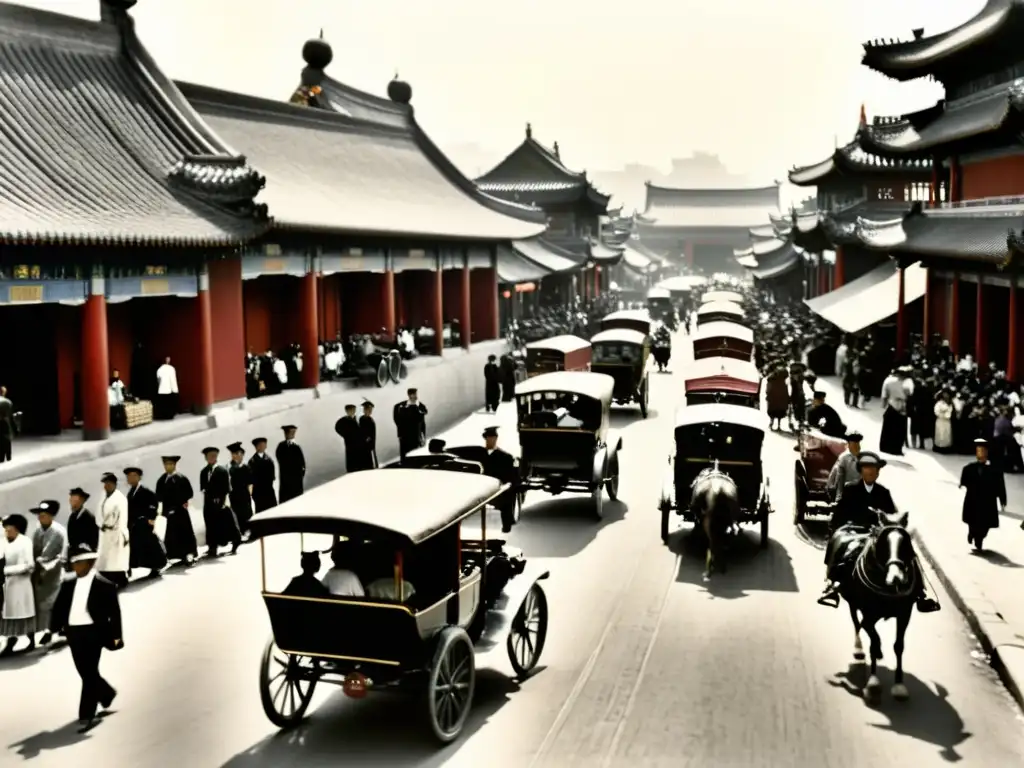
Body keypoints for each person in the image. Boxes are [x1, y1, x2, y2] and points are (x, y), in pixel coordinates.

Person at [819, 452, 938, 612]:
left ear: (878, 472)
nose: (870, 473)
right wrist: (838, 529)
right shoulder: (851, 489)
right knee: (843, 548)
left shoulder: (884, 492)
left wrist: (892, 523)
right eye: (867, 469)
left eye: (874, 470)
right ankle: (833, 585)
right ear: (861, 471)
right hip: (855, 531)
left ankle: (920, 593)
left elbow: (891, 515)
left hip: (878, 534)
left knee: (906, 553)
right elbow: (839, 514)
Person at [49, 542, 123, 732]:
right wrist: (53, 627)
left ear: (90, 563)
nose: (76, 566)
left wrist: (117, 636)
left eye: (80, 563)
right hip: (74, 633)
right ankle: (106, 694)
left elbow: (115, 613)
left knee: (89, 674)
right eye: (74, 563)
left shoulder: (104, 585)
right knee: (85, 671)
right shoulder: (68, 584)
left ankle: (87, 715)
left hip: (94, 633)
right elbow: (59, 607)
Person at [29, 500, 67, 646]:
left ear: (51, 516)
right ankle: (48, 629)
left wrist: (40, 561)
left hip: (54, 568)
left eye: (44, 515)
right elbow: (35, 548)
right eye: (39, 515)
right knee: (43, 602)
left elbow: (50, 552)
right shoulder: (38, 530)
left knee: (53, 601)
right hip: (41, 570)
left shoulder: (58, 531)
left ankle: (54, 629)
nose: (40, 518)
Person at [959, 438, 1007, 551]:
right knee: (973, 521)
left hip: (987, 501)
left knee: (985, 523)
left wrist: (1003, 500)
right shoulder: (970, 468)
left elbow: (1000, 485)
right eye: (979, 451)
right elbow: (964, 477)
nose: (981, 453)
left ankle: (979, 538)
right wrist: (962, 484)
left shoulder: (994, 470)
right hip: (973, 499)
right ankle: (973, 535)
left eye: (983, 451)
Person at [1, 514, 37, 655]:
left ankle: (31, 639)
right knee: (8, 615)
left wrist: (6, 571)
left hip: (22, 584)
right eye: (5, 527)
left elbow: (29, 565)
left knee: (24, 612)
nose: (7, 529)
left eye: (10, 526)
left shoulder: (25, 542)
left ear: (17, 528)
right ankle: (11, 641)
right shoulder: (3, 542)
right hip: (7, 585)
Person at [123, 467, 166, 577]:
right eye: (129, 477)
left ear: (139, 477)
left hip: (144, 523)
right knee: (135, 547)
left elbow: (153, 504)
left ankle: (156, 567)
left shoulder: (145, 491)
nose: (131, 478)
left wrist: (150, 518)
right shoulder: (130, 493)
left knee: (150, 545)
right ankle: (129, 568)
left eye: (134, 476)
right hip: (134, 525)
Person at [155, 455, 197, 566]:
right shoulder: (162, 480)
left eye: (170, 464)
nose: (167, 466)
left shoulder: (181, 478)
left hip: (180, 511)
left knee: (185, 533)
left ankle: (189, 555)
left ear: (174, 465)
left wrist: (184, 501)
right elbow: (158, 496)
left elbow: (189, 492)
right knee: (172, 534)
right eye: (166, 464)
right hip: (168, 512)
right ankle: (175, 555)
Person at [199, 447, 238, 557]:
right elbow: (203, 488)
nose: (211, 458)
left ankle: (235, 543)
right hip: (208, 504)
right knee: (210, 526)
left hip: (220, 502)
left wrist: (222, 501)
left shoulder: (222, 470)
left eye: (213, 455)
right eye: (209, 456)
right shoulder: (204, 472)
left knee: (226, 524)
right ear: (206, 458)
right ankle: (212, 547)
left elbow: (226, 488)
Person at [479, 426, 519, 533]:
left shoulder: (505, 457)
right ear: (485, 439)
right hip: (481, 486)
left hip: (497, 487)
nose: (491, 440)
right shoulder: (479, 455)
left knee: (507, 498)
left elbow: (510, 475)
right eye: (488, 438)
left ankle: (507, 524)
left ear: (496, 439)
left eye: (493, 438)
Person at [96, 473, 130, 588]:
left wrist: (122, 533)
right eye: (105, 483)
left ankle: (121, 580)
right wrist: (101, 524)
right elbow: (98, 512)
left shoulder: (120, 498)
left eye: (109, 483)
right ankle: (108, 580)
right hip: (105, 532)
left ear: (114, 484)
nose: (106, 486)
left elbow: (123, 518)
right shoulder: (103, 496)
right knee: (106, 558)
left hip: (116, 531)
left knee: (116, 558)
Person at [826, 432, 863, 503]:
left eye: (857, 445)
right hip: (840, 490)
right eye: (854, 444)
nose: (857, 447)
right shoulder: (844, 457)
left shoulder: (860, 458)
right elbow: (838, 476)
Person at [879, 366, 908, 455]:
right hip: (903, 406)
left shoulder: (888, 380)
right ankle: (897, 448)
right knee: (900, 429)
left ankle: (885, 447)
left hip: (891, 405)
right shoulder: (907, 382)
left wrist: (883, 405)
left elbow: (884, 395)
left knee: (888, 428)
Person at [394, 388, 428, 463]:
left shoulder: (419, 406)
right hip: (405, 437)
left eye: (416, 394)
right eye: (414, 394)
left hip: (416, 436)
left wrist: (423, 436)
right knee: (405, 457)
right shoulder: (400, 406)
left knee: (415, 456)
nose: (416, 396)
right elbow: (397, 419)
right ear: (410, 395)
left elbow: (423, 419)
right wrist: (401, 431)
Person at [227, 442, 254, 538]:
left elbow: (250, 482)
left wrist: (250, 493)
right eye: (236, 454)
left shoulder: (246, 467)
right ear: (233, 455)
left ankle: (250, 531)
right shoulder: (229, 468)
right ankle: (242, 532)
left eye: (240, 454)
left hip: (245, 495)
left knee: (248, 513)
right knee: (238, 515)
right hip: (235, 496)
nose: (239, 456)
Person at [276, 425, 306, 503]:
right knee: (287, 500)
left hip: (296, 481)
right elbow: (281, 460)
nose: (292, 435)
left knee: (297, 500)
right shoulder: (281, 446)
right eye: (291, 433)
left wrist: (300, 474)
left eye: (293, 433)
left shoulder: (296, 447)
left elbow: (302, 464)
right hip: (286, 481)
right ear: (286, 434)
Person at [66, 487, 99, 557]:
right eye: (71, 500)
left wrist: (87, 546)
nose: (72, 503)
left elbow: (95, 538)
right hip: (74, 553)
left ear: (82, 501)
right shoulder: (72, 517)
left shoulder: (89, 517)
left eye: (75, 500)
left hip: (87, 554)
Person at [248, 438, 277, 513]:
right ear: (256, 447)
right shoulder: (252, 461)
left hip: (269, 491)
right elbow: (251, 479)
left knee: (273, 511)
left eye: (264, 445)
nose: (262, 447)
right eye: (260, 445)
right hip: (259, 493)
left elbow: (272, 476)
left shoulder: (269, 460)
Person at [334, 404, 366, 473]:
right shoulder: (344, 420)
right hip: (350, 444)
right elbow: (337, 428)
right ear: (347, 411)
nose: (353, 411)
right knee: (351, 458)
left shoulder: (355, 419)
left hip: (358, 443)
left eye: (354, 410)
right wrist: (346, 435)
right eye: (352, 410)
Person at [155, 356, 179, 421]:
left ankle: (163, 416)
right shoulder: (172, 368)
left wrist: (159, 387)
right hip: (171, 388)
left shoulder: (159, 370)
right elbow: (174, 379)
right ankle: (170, 415)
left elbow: (158, 380)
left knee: (163, 403)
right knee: (170, 403)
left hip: (162, 389)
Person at [360, 399, 378, 469]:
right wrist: (367, 438)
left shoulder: (370, 419)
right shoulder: (363, 419)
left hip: (371, 443)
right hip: (367, 445)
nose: (370, 411)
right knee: (369, 461)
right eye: (368, 409)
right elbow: (363, 432)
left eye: (371, 410)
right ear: (365, 410)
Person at [0, 386, 14, 462]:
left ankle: (1, 457)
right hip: (5, 422)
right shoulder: (8, 402)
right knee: (7, 439)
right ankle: (8, 456)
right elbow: (10, 415)